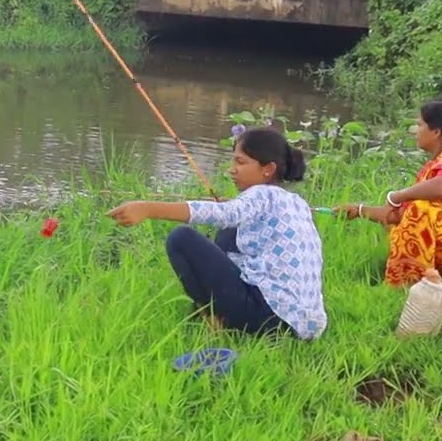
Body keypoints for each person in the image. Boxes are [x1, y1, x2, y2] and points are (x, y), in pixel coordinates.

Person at [107, 127, 327, 340]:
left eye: (241, 162)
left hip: (267, 316)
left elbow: (224, 214)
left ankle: (212, 316)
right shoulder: (298, 203)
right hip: (302, 325)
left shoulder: (261, 194)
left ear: (268, 169)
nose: (232, 169)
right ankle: (218, 311)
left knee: (181, 238)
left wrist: (147, 208)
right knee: (229, 231)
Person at [337, 97, 442, 287]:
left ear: (436, 132)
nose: (415, 131)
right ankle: (419, 280)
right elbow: (399, 216)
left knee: (421, 209)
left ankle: (404, 283)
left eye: (420, 125)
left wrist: (397, 195)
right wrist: (359, 210)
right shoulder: (435, 166)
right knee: (406, 220)